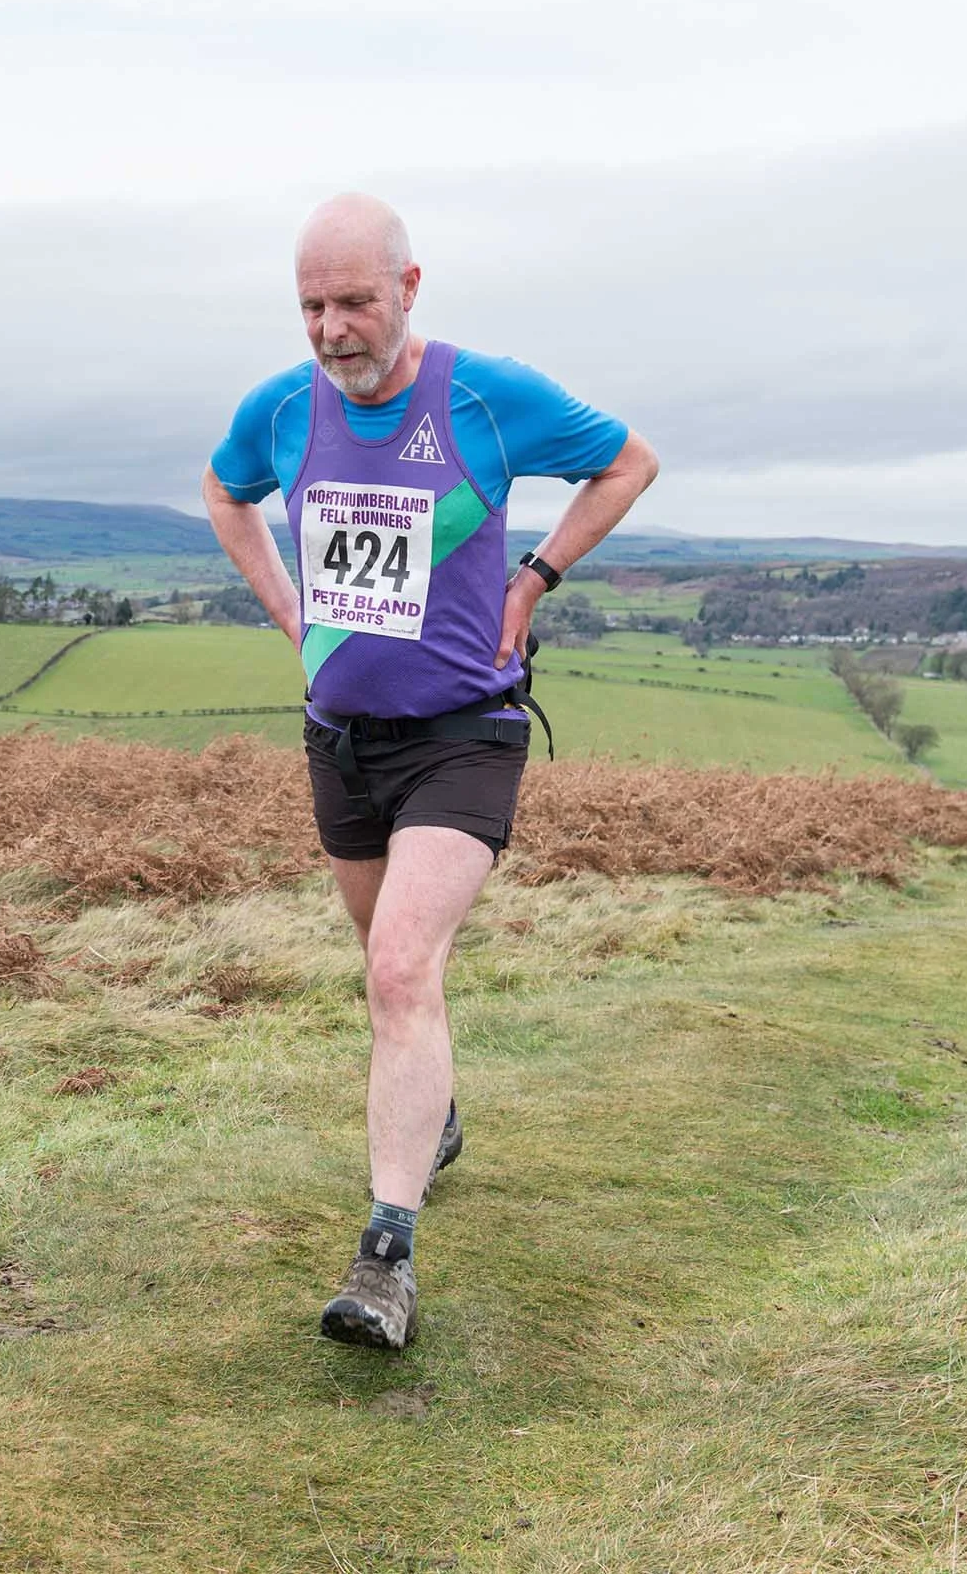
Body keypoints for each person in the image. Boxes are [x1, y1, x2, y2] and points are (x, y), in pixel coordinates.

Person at [201, 193, 661, 1349]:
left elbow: (626, 461)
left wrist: (534, 578)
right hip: (341, 740)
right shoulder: (280, 411)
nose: (331, 328)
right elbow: (223, 490)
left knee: (403, 968)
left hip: (465, 735)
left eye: (353, 300)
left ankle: (385, 1256)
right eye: (310, 305)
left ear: (407, 289)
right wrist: (285, 605)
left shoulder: (483, 396)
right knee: (389, 969)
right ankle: (435, 1114)